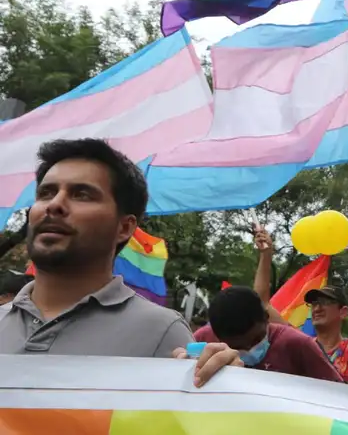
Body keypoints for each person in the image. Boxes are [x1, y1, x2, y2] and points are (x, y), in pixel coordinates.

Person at [0, 139, 239, 387]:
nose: (55, 204)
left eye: (81, 194)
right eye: (46, 193)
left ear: (125, 227)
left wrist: (227, 387)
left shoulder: (162, 333)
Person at [252, 225, 348, 385]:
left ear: (343, 312)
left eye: (325, 302)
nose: (317, 308)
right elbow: (262, 305)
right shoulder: (301, 344)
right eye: (314, 304)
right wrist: (266, 256)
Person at [193, 286, 337, 381]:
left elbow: (340, 395)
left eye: (256, 340)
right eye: (236, 347)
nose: (249, 350)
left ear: (266, 318)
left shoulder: (298, 344)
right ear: (217, 336)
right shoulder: (202, 341)